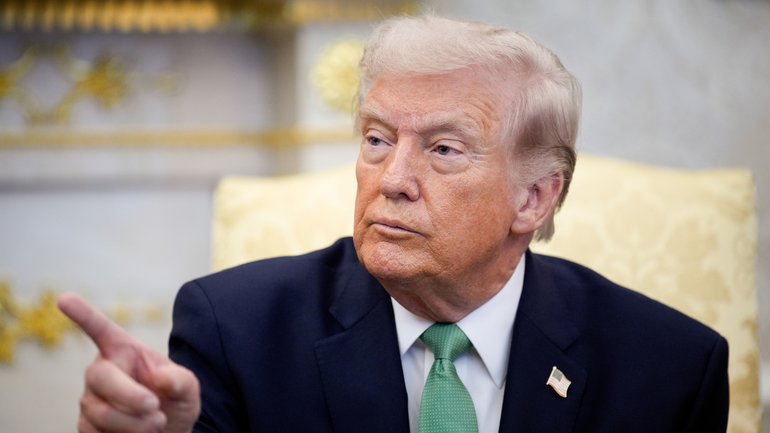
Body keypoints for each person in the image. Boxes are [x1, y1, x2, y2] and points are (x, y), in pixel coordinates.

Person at [58, 15, 729, 433]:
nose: (392, 178)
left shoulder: (667, 368)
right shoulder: (236, 328)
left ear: (534, 200)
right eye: (377, 139)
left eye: (442, 149)